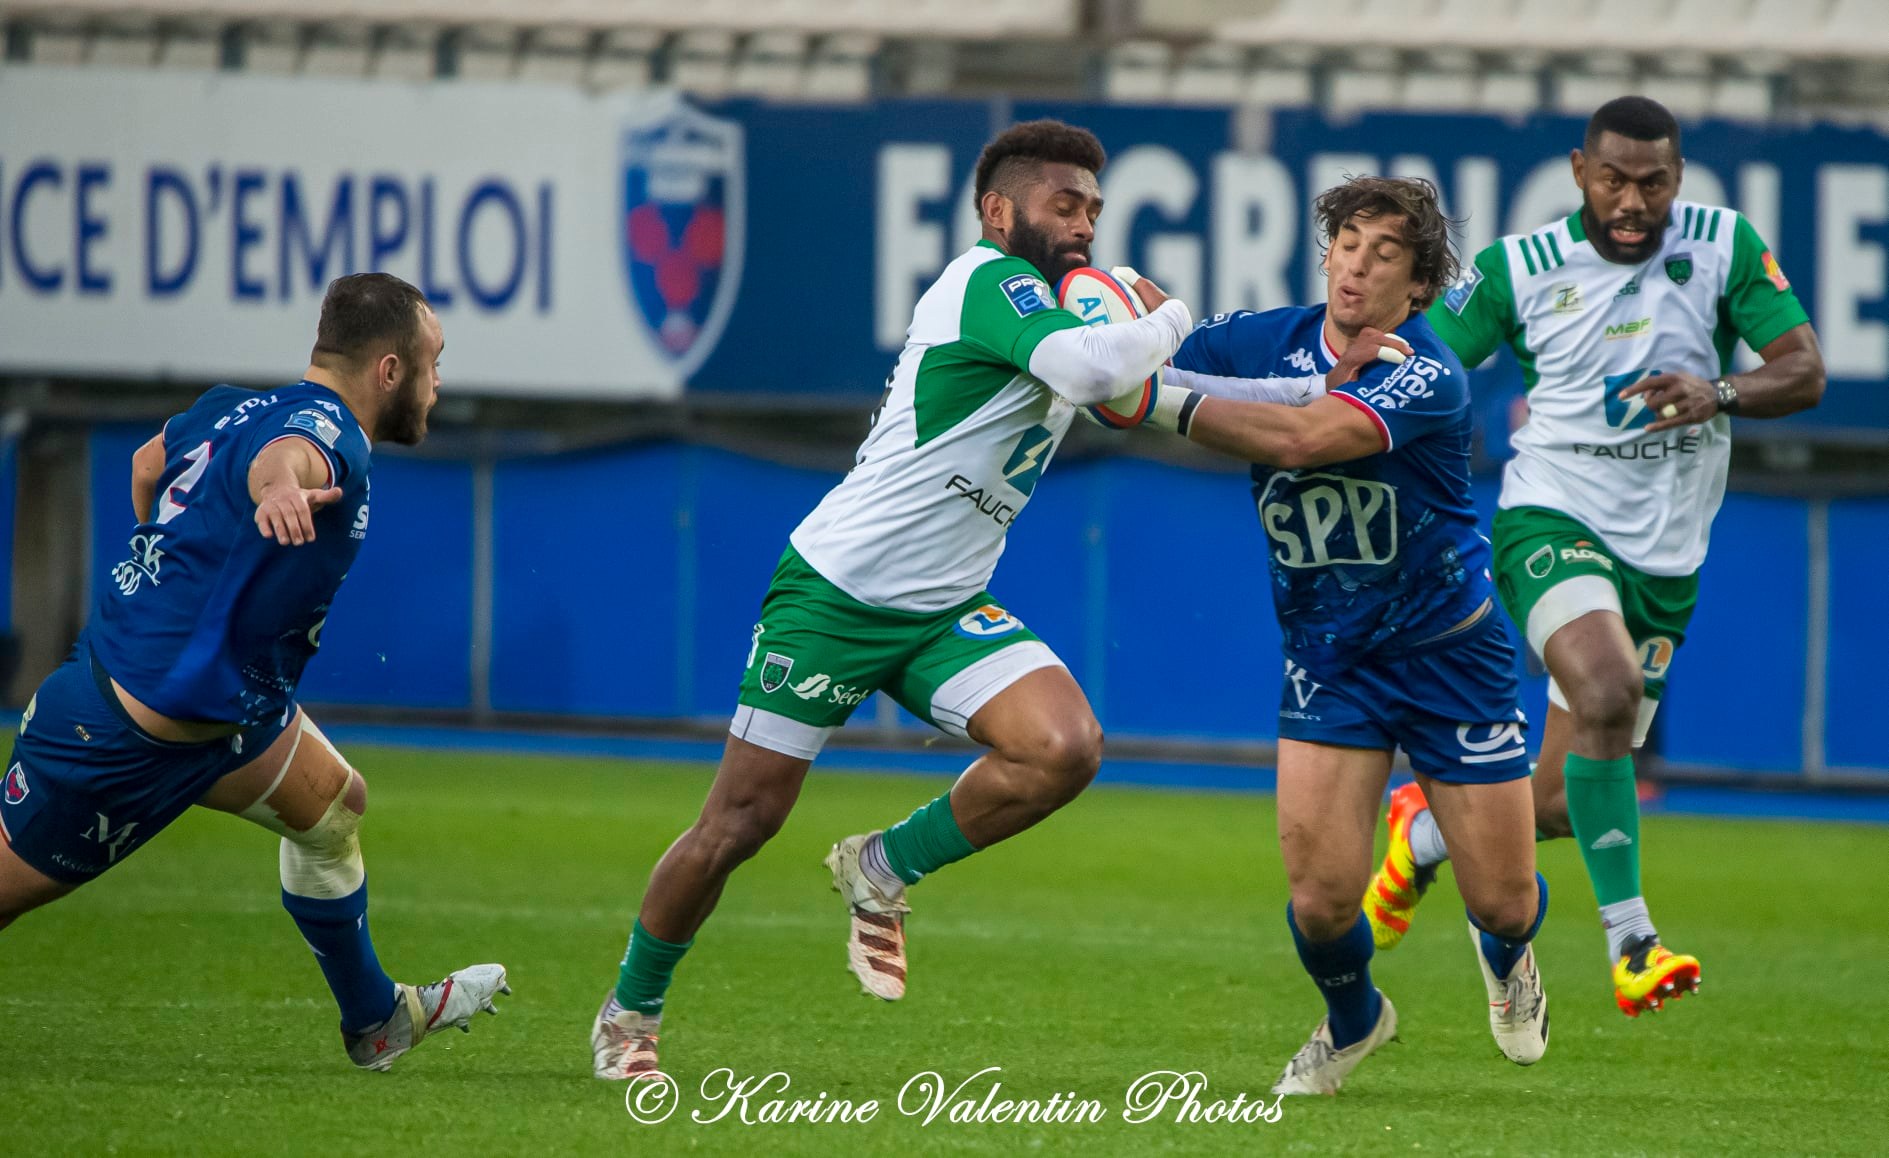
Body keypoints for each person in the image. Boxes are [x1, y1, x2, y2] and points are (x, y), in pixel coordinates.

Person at [591, 119, 1195, 1081]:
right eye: (1062, 204)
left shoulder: (1058, 316)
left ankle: (880, 865)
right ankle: (629, 1014)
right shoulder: (987, 281)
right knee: (739, 822)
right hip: (839, 593)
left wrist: (1308, 391)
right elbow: (1097, 371)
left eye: (1092, 207)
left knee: (1063, 747)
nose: (1083, 223)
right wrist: (1170, 317)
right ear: (998, 211)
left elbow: (1155, 391)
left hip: (942, 607)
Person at [1362, 96, 1825, 1017]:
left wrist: (1719, 391)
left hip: (1665, 554)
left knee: (1558, 803)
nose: (1631, 201)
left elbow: (1803, 369)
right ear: (1580, 171)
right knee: (1606, 688)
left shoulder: (1723, 247)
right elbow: (1420, 364)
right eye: (1612, 179)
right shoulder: (1520, 267)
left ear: (1678, 178)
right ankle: (1632, 944)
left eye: (1652, 183)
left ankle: (1421, 834)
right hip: (1550, 517)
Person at [0, 272, 509, 1070]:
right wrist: (275, 492)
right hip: (119, 740)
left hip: (220, 714)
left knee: (333, 807)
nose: (438, 382)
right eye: (432, 362)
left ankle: (376, 1021)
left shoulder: (228, 405)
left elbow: (146, 464)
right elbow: (285, 462)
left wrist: (169, 586)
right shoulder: (331, 435)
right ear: (389, 370)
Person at [1149, 175, 1549, 1095]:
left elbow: (1300, 439)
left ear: (1420, 286)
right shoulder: (1257, 340)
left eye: (1386, 254)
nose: (1358, 267)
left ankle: (1506, 954)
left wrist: (1149, 401)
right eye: (1348, 244)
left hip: (1449, 653)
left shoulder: (1427, 369)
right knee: (1321, 901)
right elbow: (1130, 370)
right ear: (1326, 252)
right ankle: (1355, 1019)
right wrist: (1101, 333)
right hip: (1329, 659)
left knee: (1503, 900)